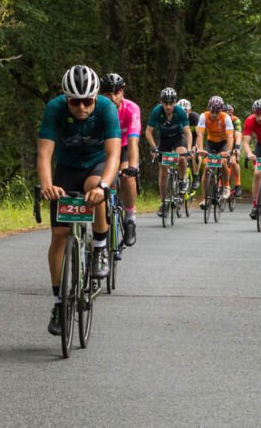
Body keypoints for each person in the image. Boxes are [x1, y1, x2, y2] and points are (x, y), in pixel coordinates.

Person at [38, 65, 121, 336]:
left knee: (94, 190)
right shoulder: (54, 109)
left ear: (96, 98)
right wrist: (47, 185)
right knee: (59, 236)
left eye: (88, 101)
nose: (83, 107)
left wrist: (106, 186)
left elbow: (113, 155)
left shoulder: (106, 108)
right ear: (66, 98)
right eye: (75, 102)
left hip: (97, 165)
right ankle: (59, 303)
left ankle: (99, 247)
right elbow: (44, 153)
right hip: (67, 168)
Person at [100, 73, 140, 246]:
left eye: (117, 93)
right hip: (103, 146)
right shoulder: (96, 108)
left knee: (127, 177)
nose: (113, 97)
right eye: (108, 94)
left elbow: (133, 142)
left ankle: (129, 218)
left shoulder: (131, 109)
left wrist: (132, 167)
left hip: (124, 147)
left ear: (122, 93)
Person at [145, 88, 193, 216]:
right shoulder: (157, 111)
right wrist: (153, 147)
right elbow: (148, 131)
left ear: (175, 102)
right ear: (161, 102)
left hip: (178, 137)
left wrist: (188, 150)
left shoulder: (180, 112)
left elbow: (188, 132)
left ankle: (182, 181)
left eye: (171, 104)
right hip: (164, 139)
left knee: (181, 157)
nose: (168, 106)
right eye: (165, 103)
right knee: (163, 169)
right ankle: (164, 202)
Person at [196, 96, 234, 202]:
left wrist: (228, 152)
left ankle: (226, 186)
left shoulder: (226, 117)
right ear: (209, 109)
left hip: (223, 143)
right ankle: (205, 198)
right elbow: (200, 134)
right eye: (212, 111)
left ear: (221, 111)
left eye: (217, 112)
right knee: (207, 169)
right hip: (211, 143)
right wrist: (200, 149)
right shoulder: (204, 116)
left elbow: (230, 136)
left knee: (223, 162)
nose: (214, 115)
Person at [176, 98, 201, 190]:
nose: (183, 113)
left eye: (186, 111)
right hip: (181, 139)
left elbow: (199, 134)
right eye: (181, 111)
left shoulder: (194, 117)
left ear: (190, 111)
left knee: (196, 154)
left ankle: (196, 176)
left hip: (194, 139)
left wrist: (196, 147)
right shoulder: (175, 117)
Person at [223, 103, 243, 197]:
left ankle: (238, 184)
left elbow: (238, 134)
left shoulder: (236, 120)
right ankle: (220, 185)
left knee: (234, 162)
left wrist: (237, 148)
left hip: (234, 142)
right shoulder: (219, 120)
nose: (226, 117)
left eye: (229, 115)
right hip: (223, 143)